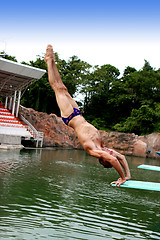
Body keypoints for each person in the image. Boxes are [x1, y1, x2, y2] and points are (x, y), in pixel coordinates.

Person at [44, 44, 131, 187]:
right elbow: (121, 157)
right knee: (62, 87)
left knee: (57, 88)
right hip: (77, 113)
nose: (112, 152)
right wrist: (127, 175)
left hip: (69, 117)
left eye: (109, 155)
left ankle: (49, 61)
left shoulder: (94, 150)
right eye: (111, 153)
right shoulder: (102, 147)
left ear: (103, 159)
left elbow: (114, 160)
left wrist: (120, 178)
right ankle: (50, 60)